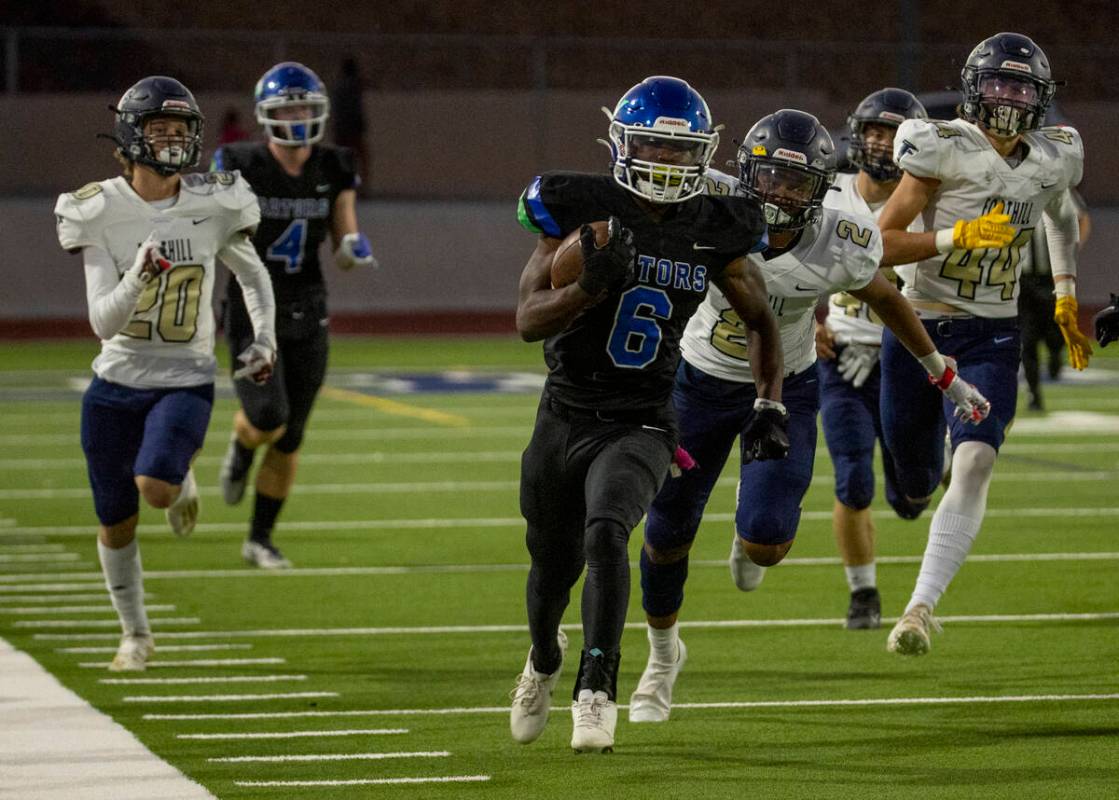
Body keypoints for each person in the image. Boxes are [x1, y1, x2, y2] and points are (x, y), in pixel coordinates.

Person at [627, 109, 990, 724]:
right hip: (699, 382)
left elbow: (886, 295)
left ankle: (748, 523)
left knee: (767, 544)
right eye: (767, 177)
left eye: (796, 184)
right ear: (745, 172)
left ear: (821, 189)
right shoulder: (708, 202)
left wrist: (943, 374)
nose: (777, 194)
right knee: (665, 534)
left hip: (788, 387)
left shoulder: (841, 237)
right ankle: (662, 659)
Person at [509, 76, 784, 753]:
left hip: (644, 420)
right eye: (652, 147)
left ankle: (596, 688)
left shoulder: (717, 224)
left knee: (608, 531)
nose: (664, 162)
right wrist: (588, 285)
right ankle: (543, 660)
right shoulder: (577, 205)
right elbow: (525, 320)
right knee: (550, 570)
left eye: (678, 150)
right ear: (622, 145)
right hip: (565, 413)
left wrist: (769, 401)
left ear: (702, 155)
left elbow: (759, 319)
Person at [876, 32, 1092, 655]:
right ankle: (917, 480)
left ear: (1041, 97)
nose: (1008, 96)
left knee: (975, 463)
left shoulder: (1054, 156)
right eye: (997, 82)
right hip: (917, 329)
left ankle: (919, 609)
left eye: (1020, 86)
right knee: (914, 487)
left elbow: (1060, 216)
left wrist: (1066, 293)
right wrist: (958, 235)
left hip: (994, 333)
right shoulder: (939, 146)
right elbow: (878, 245)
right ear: (974, 87)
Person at [55, 76, 276, 671]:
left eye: (182, 130)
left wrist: (265, 339)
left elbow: (252, 275)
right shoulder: (98, 208)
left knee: (153, 489)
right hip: (115, 383)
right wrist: (139, 275)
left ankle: (175, 475)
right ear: (130, 138)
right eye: (160, 130)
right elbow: (104, 322)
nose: (174, 141)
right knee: (115, 522)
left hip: (185, 376)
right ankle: (136, 633)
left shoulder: (214, 200)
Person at [213, 61, 377, 569]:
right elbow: (218, 231)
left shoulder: (334, 165)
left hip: (308, 306)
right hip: (251, 306)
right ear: (267, 116)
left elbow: (343, 227)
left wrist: (351, 246)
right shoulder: (239, 162)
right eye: (289, 109)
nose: (298, 116)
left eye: (305, 107)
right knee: (266, 417)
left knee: (292, 433)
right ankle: (241, 446)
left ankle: (259, 539)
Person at [815, 88, 929, 630]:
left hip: (905, 358)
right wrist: (806, 323)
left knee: (912, 495)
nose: (880, 142)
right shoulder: (824, 192)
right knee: (852, 478)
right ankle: (863, 592)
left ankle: (926, 470)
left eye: (892, 132)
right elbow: (779, 260)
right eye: (873, 131)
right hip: (841, 357)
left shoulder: (934, 196)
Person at [1018, 187, 1091, 410]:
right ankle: (1034, 395)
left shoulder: (1057, 184)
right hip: (1022, 278)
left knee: (1055, 329)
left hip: (1051, 277)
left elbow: (1082, 218)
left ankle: (1055, 355)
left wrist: (1071, 250)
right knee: (1027, 339)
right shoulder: (1008, 183)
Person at [331, 57, 370, 195]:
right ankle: (362, 188)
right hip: (352, 128)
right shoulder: (354, 85)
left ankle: (341, 187)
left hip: (341, 128)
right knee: (361, 158)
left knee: (342, 159)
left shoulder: (338, 86)